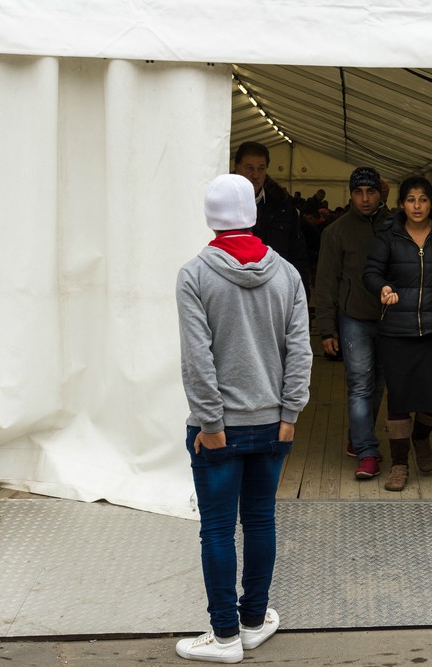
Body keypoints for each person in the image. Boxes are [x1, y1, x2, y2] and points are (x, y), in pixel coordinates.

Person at [175, 173, 312, 663]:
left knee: (216, 529)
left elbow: (198, 358)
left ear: (210, 217)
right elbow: (300, 350)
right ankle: (253, 622)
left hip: (219, 429)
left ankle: (225, 636)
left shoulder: (194, 275)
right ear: (252, 214)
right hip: (273, 423)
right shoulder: (287, 274)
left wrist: (211, 424)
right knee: (259, 521)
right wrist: (290, 412)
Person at [363, 176, 432, 492]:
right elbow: (371, 271)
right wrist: (382, 287)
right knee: (398, 398)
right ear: (401, 204)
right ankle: (399, 465)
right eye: (410, 199)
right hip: (396, 330)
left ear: (431, 202)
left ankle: (421, 438)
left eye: (423, 199)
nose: (417, 206)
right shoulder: (388, 234)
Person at [315, 167, 391, 479]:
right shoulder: (336, 232)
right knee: (360, 385)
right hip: (354, 319)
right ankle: (367, 451)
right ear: (350, 194)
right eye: (358, 192)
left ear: (380, 193)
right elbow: (326, 282)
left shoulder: (394, 226)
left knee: (379, 384)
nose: (364, 198)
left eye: (370, 191)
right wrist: (326, 329)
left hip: (389, 319)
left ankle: (359, 436)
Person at [233, 142, 311, 299]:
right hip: (235, 296)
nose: (256, 175)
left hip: (275, 296)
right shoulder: (223, 206)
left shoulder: (283, 208)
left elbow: (298, 257)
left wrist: (301, 299)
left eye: (261, 169)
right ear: (237, 168)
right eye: (249, 168)